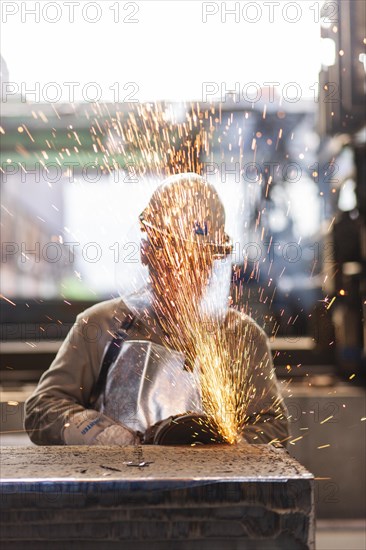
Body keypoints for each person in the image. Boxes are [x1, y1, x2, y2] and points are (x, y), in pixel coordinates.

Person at [24, 173, 289, 446]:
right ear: (146, 251)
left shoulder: (241, 337)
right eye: (169, 256)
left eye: (195, 261)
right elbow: (42, 410)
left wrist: (228, 451)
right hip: (117, 484)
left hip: (208, 488)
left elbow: (273, 426)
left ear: (212, 261)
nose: (181, 273)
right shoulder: (101, 326)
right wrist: (101, 434)